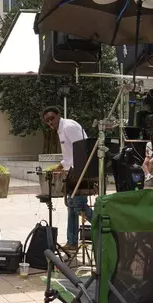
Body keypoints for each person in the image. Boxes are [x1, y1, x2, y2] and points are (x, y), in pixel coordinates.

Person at [42, 106, 94, 253]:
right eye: (47, 121)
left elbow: (83, 150)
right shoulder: (60, 130)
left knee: (79, 206)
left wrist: (80, 174)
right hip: (72, 172)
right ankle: (72, 242)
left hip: (80, 172)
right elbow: (68, 156)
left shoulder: (69, 127)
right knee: (71, 207)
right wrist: (58, 168)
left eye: (52, 118)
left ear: (59, 115)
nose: (50, 122)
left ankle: (103, 229)